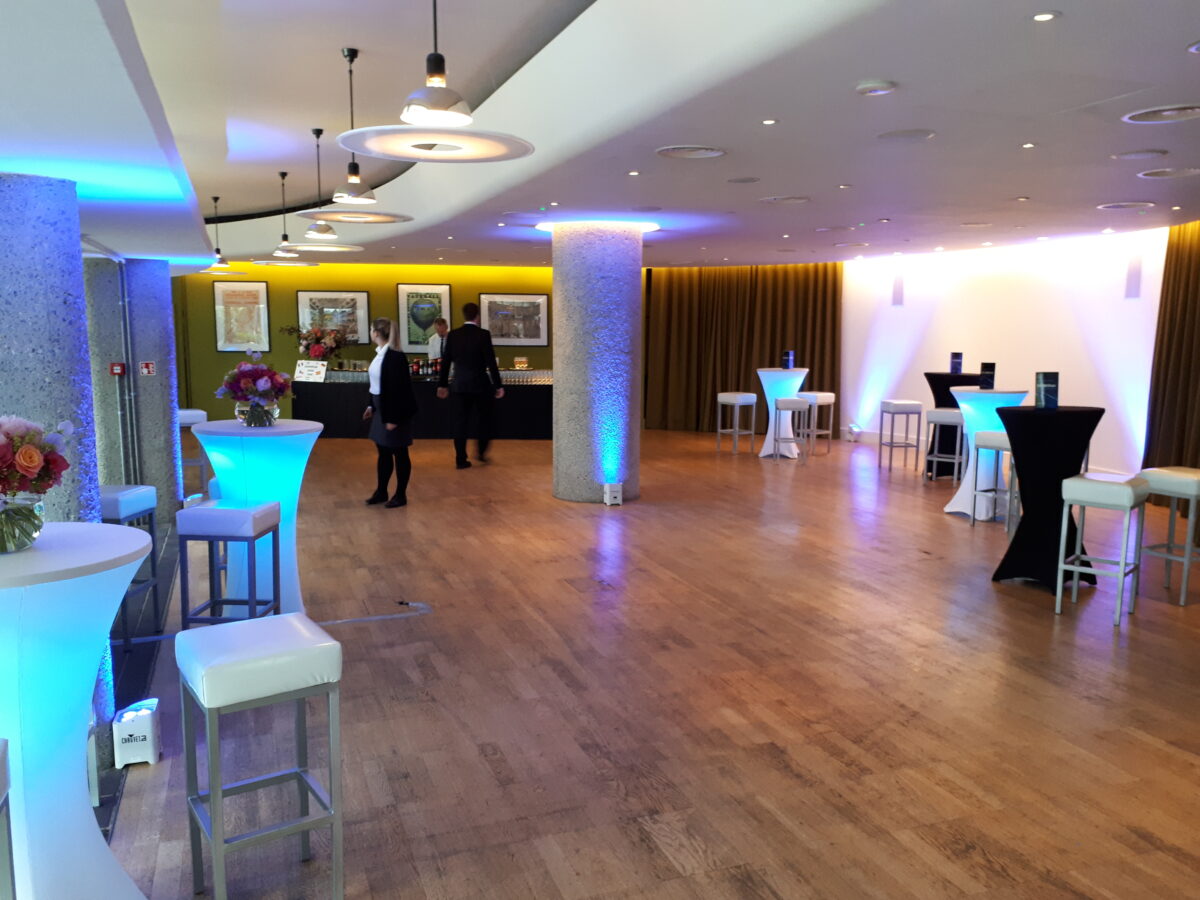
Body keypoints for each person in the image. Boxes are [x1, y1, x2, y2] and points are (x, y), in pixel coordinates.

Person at [437, 302, 504, 468]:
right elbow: (491, 362)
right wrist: (498, 385)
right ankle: (481, 453)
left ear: (464, 315)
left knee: (460, 422)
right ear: (477, 316)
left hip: (459, 384)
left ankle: (460, 459)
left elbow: (446, 362)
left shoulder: (453, 335)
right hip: (480, 384)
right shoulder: (484, 335)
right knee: (484, 419)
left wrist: (442, 384)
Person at [363, 317, 417, 507]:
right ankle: (381, 492)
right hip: (381, 407)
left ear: (376, 333)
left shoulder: (395, 356)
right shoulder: (380, 354)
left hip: (395, 411)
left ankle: (400, 495)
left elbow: (399, 390)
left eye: (371, 329)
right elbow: (376, 384)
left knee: (399, 452)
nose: (371, 332)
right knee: (383, 451)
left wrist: (394, 418)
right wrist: (371, 406)